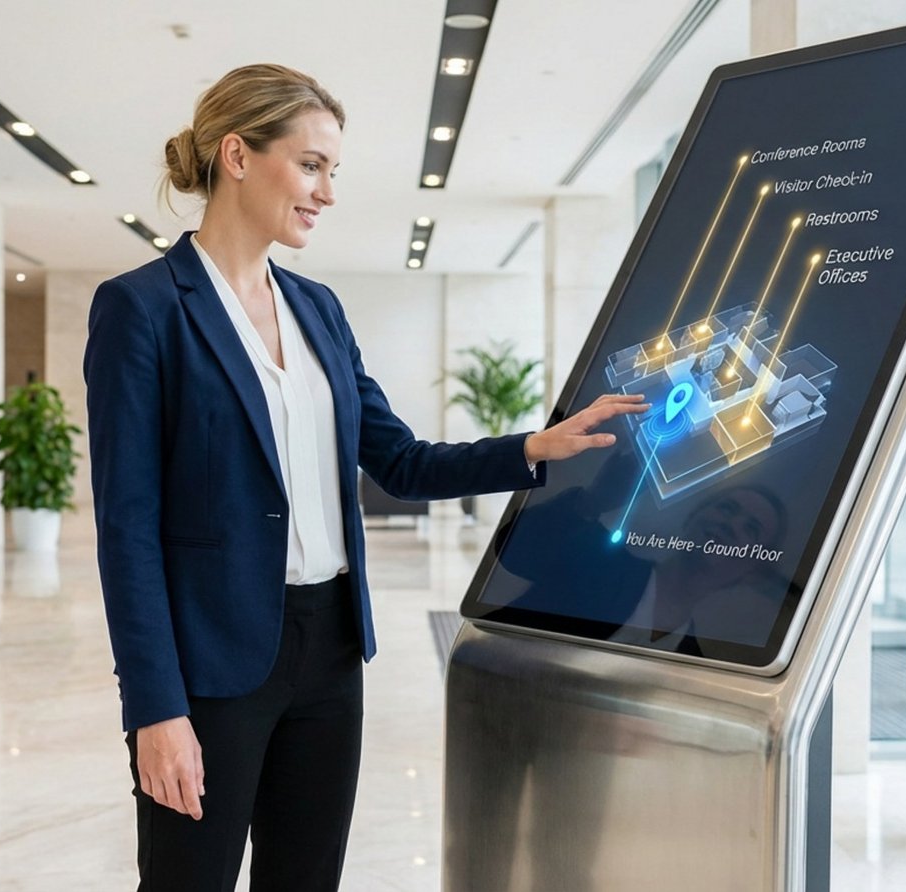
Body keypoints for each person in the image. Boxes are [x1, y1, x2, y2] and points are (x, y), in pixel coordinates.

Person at [83, 63, 647, 892]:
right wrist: (154, 710)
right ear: (238, 156)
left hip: (329, 649)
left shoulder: (319, 310)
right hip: (209, 663)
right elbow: (126, 529)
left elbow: (402, 461)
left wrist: (534, 446)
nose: (327, 192)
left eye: (332, 172)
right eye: (311, 165)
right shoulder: (143, 309)